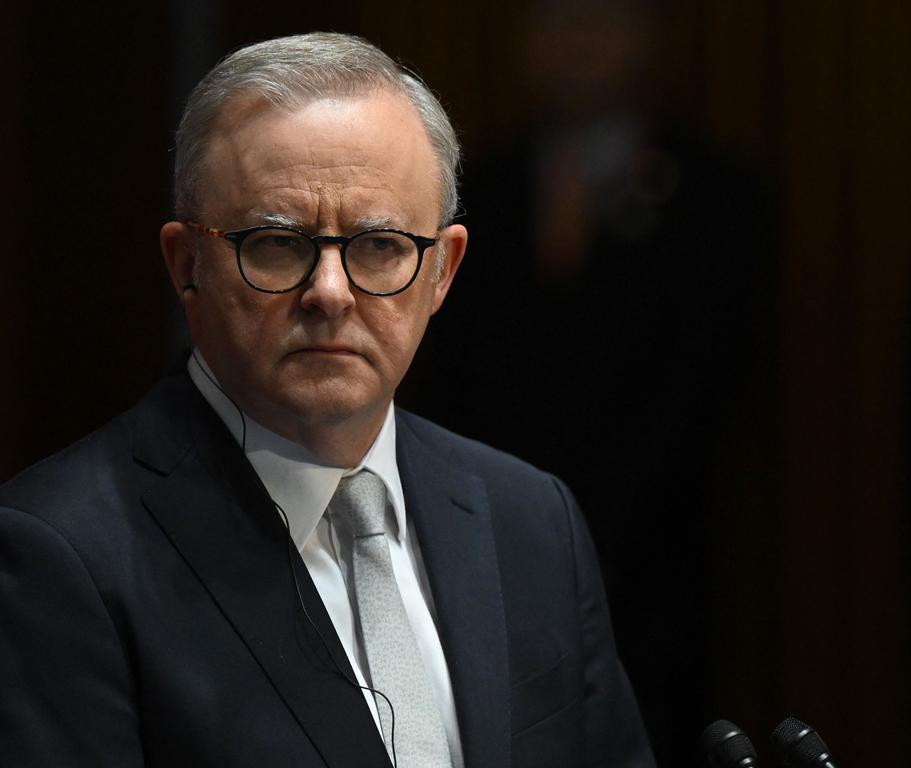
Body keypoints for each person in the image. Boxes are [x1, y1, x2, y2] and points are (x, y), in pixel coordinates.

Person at [0, 32, 654, 768]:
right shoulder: (60, 553)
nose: (331, 293)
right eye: (277, 245)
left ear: (442, 271)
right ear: (188, 265)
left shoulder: (531, 522)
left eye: (380, 246)